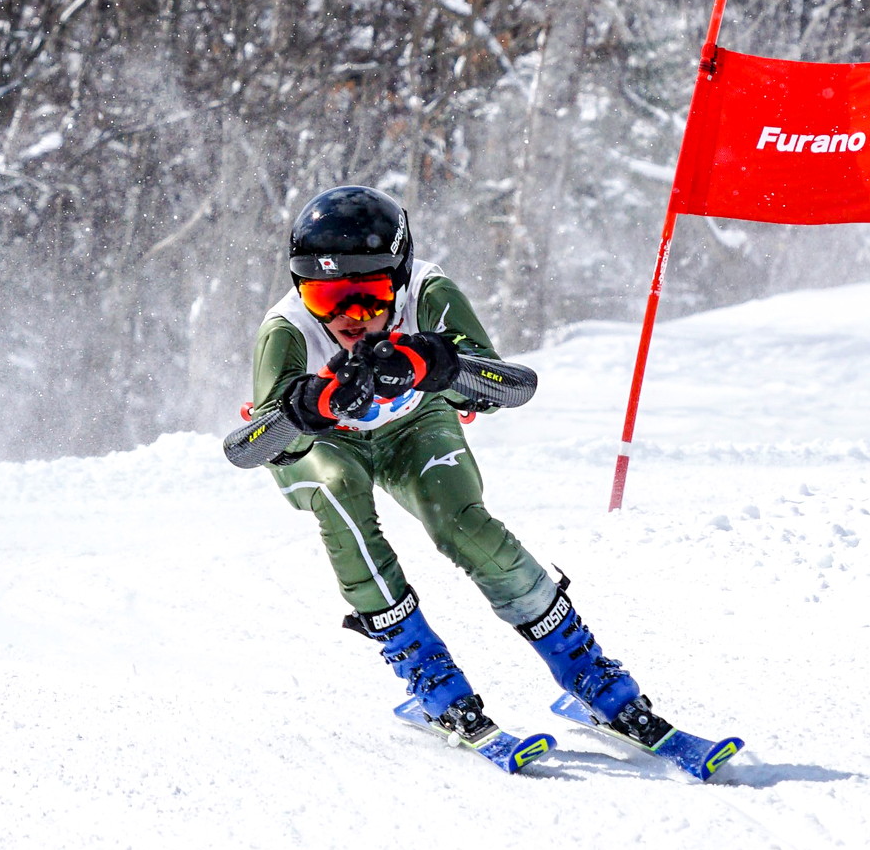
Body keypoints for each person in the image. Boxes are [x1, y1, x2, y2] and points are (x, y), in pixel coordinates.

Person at [252, 184, 673, 752]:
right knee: (339, 490)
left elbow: (513, 387)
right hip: (333, 446)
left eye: (370, 296)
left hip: (411, 425)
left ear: (398, 279)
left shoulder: (429, 292)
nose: (351, 318)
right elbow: (250, 447)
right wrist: (313, 404)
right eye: (327, 299)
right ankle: (425, 668)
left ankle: (586, 669)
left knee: (461, 524)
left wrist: (436, 363)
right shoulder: (285, 328)